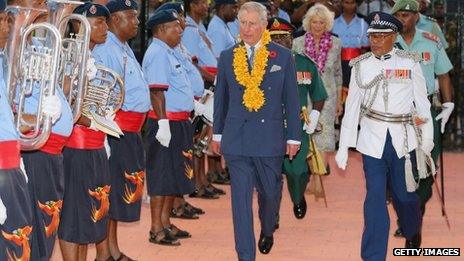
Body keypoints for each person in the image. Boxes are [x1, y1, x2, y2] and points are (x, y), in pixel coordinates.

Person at [335, 11, 434, 260]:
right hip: (372, 141)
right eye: (373, 36)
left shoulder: (410, 63)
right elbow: (352, 109)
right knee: (375, 199)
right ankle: (373, 255)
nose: (376, 41)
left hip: (403, 140)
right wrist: (344, 147)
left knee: (404, 195)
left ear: (394, 36)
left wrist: (428, 140)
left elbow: (423, 107)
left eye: (382, 36)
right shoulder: (360, 66)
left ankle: (412, 228)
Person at [212, 2, 301, 260]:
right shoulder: (227, 56)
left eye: (252, 23)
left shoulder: (282, 56)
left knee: (270, 194)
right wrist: (217, 134)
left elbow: (292, 100)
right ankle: (245, 255)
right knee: (240, 204)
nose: (247, 29)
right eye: (243, 23)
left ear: (264, 25)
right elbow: (221, 99)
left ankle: (267, 226)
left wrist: (293, 136)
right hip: (236, 139)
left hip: (270, 140)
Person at [6, 1, 70, 260]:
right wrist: (36, 116)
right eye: (38, 2)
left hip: (49, 147)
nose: (44, 5)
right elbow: (10, 103)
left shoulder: (36, 44)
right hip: (33, 149)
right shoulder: (10, 50)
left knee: (47, 222)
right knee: (32, 229)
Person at [92, 1, 151, 260]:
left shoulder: (122, 46)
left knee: (118, 193)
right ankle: (104, 253)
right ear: (116, 19)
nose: (137, 22)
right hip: (117, 129)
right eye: (131, 17)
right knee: (111, 191)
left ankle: (112, 250)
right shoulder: (106, 48)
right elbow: (108, 96)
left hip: (130, 131)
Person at [391, 0, 454, 237]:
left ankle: (415, 209)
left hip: (426, 109)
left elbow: (444, 74)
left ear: (417, 17)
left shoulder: (431, 41)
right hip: (396, 109)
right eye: (400, 15)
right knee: (399, 165)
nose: (403, 19)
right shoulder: (386, 41)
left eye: (408, 15)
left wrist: (448, 104)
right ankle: (406, 217)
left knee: (428, 164)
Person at [58, 3, 114, 261]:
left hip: (94, 143)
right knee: (73, 217)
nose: (105, 28)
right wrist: (92, 121)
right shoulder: (68, 55)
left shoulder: (96, 57)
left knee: (88, 215)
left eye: (105, 22)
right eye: (99, 23)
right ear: (80, 25)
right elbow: (64, 100)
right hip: (75, 145)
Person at [143, 8, 204, 246]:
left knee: (173, 176)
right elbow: (157, 91)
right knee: (161, 176)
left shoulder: (170, 51)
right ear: (161, 29)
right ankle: (156, 228)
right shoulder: (157, 52)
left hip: (179, 120)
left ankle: (166, 222)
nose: (180, 31)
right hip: (164, 122)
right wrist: (163, 123)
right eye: (175, 27)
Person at [268, 17, 328, 219]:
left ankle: (297, 196)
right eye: (273, 38)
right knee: (270, 175)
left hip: (298, 128)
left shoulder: (304, 64)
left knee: (297, 172)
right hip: (268, 127)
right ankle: (272, 214)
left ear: (291, 40)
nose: (278, 42)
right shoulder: (258, 65)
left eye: (283, 38)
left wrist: (314, 114)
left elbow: (319, 94)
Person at [0, 1, 34, 260]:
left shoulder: (2, 60)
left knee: (18, 238)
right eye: (1, 20)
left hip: (10, 161)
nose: (6, 26)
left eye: (6, 20)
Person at [293, 3, 342, 155]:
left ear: (327, 24)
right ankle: (309, 173)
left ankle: (318, 177)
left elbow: (338, 74)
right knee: (306, 136)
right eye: (314, 22)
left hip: (328, 97)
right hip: (304, 96)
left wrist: (339, 101)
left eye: (322, 22)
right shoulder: (297, 43)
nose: (318, 26)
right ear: (308, 23)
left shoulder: (336, 43)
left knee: (324, 139)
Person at [332, 0, 369, 101]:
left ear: (356, 4)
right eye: (346, 2)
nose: (349, 6)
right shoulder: (333, 23)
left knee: (354, 94)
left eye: (352, 2)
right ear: (342, 4)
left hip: (357, 63)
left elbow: (365, 47)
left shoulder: (363, 24)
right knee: (338, 92)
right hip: (337, 63)